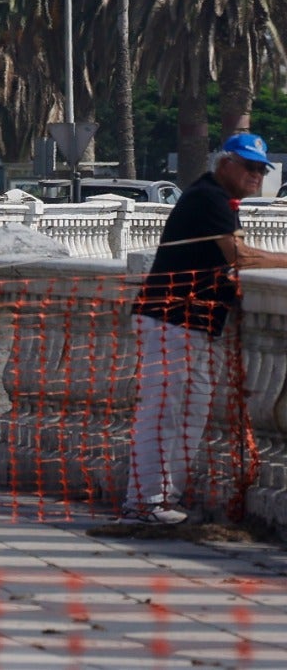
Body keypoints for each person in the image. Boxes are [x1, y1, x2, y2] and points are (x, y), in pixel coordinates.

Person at [121, 132, 287, 525]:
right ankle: (143, 502)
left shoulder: (223, 201)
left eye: (261, 169)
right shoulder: (208, 197)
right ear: (224, 163)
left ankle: (161, 501)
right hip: (170, 320)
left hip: (192, 323)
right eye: (248, 166)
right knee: (163, 412)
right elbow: (240, 255)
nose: (256, 175)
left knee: (190, 412)